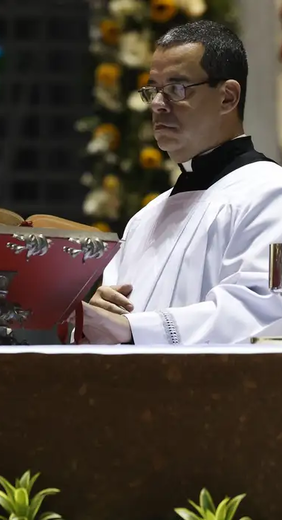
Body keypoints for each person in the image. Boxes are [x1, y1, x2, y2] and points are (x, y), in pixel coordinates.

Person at [80, 20, 282, 345]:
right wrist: (100, 316)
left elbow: (265, 312)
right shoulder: (143, 220)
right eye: (153, 90)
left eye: (177, 89)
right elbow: (114, 327)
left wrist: (134, 330)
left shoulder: (271, 193)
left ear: (228, 97)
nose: (158, 104)